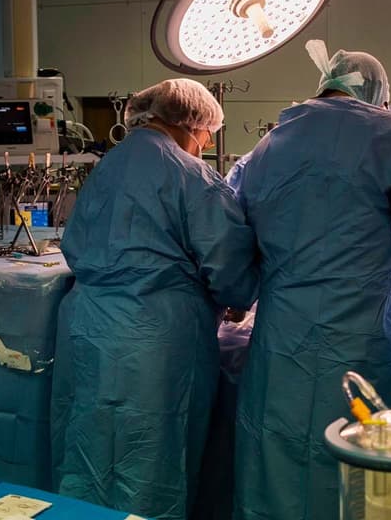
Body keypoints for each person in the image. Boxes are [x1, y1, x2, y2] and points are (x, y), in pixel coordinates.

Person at [233, 40, 391, 520]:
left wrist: (238, 298)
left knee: (277, 452)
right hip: (357, 335)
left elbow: (237, 234)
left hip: (282, 337)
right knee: (351, 452)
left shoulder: (269, 145)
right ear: (378, 94)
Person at [51, 79, 260, 520]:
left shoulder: (105, 168)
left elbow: (73, 242)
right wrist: (238, 297)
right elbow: (228, 264)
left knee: (90, 446)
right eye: (207, 135)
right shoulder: (192, 176)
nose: (207, 145)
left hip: (88, 328)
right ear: (189, 123)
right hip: (157, 338)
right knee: (153, 460)